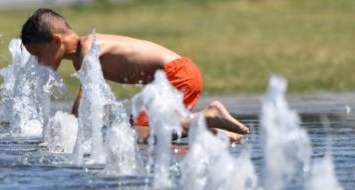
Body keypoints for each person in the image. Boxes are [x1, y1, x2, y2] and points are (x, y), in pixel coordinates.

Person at [20, 8, 249, 141]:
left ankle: (210, 115)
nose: (38, 63)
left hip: (178, 73)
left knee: (143, 133)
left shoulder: (87, 49)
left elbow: (87, 98)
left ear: (56, 40)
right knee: (133, 131)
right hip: (172, 76)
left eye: (38, 54)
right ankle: (216, 131)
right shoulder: (82, 56)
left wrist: (68, 133)